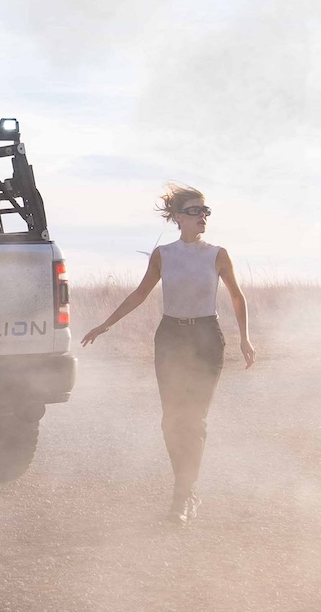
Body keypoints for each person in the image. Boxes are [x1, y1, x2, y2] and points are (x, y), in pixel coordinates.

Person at [81, 184, 255, 524]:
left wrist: (245, 339)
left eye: (205, 211)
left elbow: (237, 296)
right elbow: (140, 294)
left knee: (194, 419)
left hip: (206, 336)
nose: (202, 216)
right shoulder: (164, 255)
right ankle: (185, 487)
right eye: (194, 211)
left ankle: (183, 494)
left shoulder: (217, 254)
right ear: (178, 218)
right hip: (171, 336)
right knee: (172, 420)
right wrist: (105, 324)